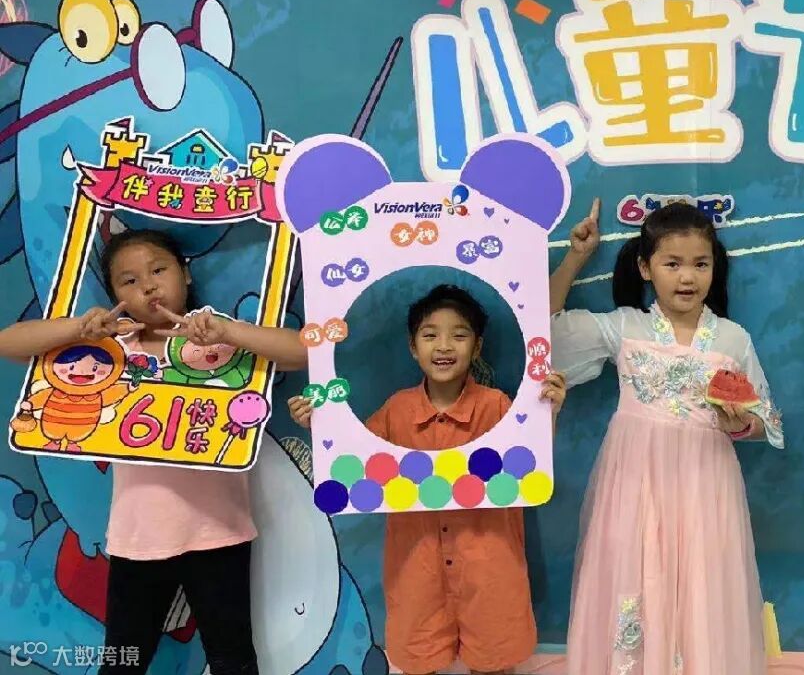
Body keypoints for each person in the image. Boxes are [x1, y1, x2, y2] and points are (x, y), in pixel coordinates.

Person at [0, 228, 307, 675]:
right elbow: (8, 342)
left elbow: (302, 352)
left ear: (185, 273)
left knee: (233, 659)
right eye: (129, 281)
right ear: (115, 296)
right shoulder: (109, 353)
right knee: (122, 660)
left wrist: (229, 331)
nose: (147, 286)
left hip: (219, 531)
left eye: (159, 270)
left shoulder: (220, 343)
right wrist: (79, 326)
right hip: (139, 534)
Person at [549, 200, 784, 674]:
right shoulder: (625, 327)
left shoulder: (732, 338)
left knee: (703, 592)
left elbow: (769, 423)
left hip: (706, 489)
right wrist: (575, 257)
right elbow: (546, 331)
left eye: (701, 264)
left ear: (715, 268)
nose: (687, 277)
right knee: (634, 580)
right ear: (645, 267)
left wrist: (739, 424)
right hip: (634, 487)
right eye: (672, 264)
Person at [289, 284, 566, 675]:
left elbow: (531, 465)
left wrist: (549, 413)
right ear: (413, 347)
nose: (444, 346)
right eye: (430, 334)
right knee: (419, 657)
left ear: (477, 346)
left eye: (459, 335)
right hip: (417, 564)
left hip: (489, 563)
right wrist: (318, 423)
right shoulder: (397, 410)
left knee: (493, 661)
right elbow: (351, 464)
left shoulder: (496, 407)